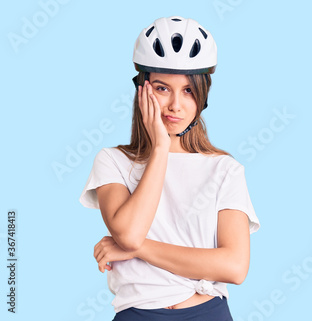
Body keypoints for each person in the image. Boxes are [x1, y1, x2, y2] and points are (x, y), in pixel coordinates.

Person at [79, 16, 260, 321]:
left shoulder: (224, 169)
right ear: (142, 90)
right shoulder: (113, 162)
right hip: (136, 313)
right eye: (163, 88)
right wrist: (160, 148)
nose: (176, 105)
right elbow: (128, 233)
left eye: (188, 91)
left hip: (208, 312)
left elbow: (234, 267)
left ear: (202, 97)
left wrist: (137, 250)